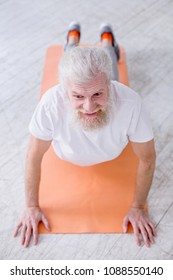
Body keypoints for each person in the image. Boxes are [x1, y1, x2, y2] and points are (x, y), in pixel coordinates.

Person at [14, 22, 157, 248]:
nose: (89, 106)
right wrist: (31, 206)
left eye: (98, 93)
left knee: (108, 60)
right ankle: (72, 39)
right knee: (71, 59)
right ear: (65, 91)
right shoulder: (52, 103)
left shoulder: (130, 103)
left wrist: (138, 207)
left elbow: (148, 160)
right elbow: (33, 156)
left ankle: (107, 39)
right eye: (78, 96)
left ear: (109, 87)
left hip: (110, 86)